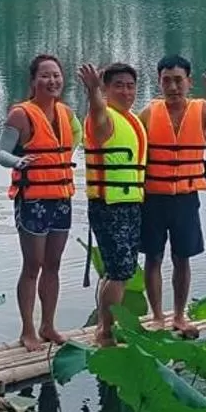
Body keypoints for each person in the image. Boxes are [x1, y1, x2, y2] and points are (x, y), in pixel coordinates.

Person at [140, 54, 206, 336]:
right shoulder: (149, 113)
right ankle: (156, 316)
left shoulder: (202, 110)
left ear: (188, 81)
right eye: (167, 81)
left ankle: (178, 316)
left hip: (185, 198)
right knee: (152, 258)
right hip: (152, 197)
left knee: (182, 258)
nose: (173, 87)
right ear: (159, 82)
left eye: (178, 80)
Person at [0, 53, 79, 352]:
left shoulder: (66, 113)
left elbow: (75, 141)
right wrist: (19, 161)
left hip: (62, 198)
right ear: (33, 81)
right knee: (33, 265)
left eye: (56, 75)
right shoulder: (21, 114)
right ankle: (27, 330)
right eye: (45, 75)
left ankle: (49, 325)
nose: (52, 80)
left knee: (53, 265)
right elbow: (0, 153)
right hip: (33, 199)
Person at [79, 62, 146, 346]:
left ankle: (105, 327)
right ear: (106, 89)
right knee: (118, 273)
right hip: (110, 205)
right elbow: (97, 112)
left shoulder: (131, 119)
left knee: (118, 271)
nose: (126, 91)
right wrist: (93, 90)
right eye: (118, 85)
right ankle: (105, 332)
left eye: (130, 86)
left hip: (130, 203)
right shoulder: (103, 117)